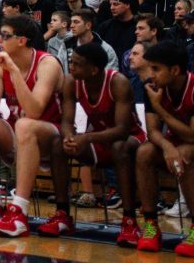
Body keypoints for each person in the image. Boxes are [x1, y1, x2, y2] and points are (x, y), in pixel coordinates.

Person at [0, 15, 64, 235]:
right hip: (20, 135)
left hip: (50, 135)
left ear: (21, 40)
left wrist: (12, 71)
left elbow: (34, 111)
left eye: (5, 36)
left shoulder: (47, 62)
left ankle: (19, 210)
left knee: (25, 124)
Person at [40, 43, 144, 243]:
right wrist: (70, 137)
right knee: (57, 144)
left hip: (131, 139)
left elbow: (122, 130)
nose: (71, 67)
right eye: (71, 62)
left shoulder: (118, 82)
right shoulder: (71, 82)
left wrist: (86, 137)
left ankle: (130, 220)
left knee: (118, 147)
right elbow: (67, 121)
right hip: (100, 139)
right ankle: (63, 214)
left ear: (94, 69)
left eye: (77, 64)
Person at [134, 41, 194, 257]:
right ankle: (151, 225)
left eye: (156, 69)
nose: (150, 74)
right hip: (175, 146)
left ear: (175, 70)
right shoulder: (152, 87)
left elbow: (193, 135)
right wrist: (167, 147)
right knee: (144, 152)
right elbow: (152, 132)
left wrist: (160, 108)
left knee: (186, 152)